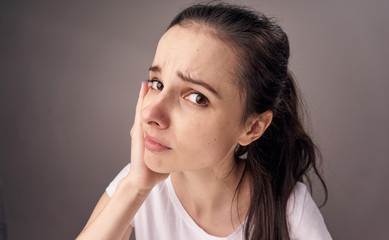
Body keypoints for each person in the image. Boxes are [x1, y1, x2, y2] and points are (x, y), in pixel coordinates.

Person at [77, 3, 331, 240]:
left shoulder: (288, 206)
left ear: (253, 127)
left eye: (198, 97)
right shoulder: (137, 184)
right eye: (157, 84)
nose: (150, 114)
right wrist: (135, 188)